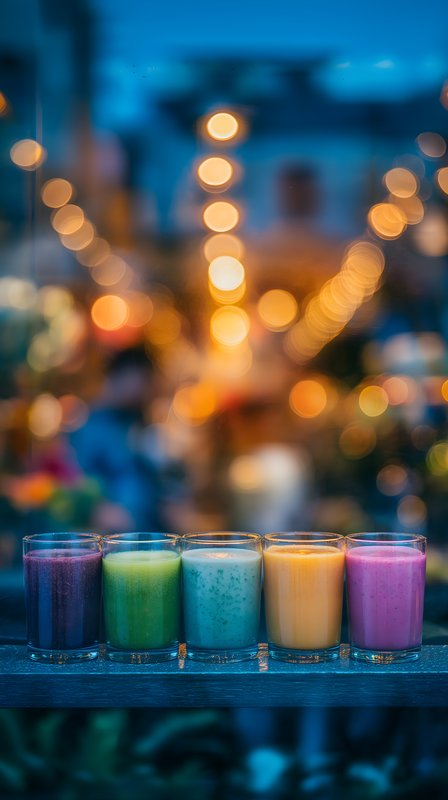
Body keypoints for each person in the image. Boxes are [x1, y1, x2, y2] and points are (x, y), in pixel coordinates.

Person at [72, 347, 165, 532]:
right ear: (121, 375)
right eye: (142, 379)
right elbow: (76, 479)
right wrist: (98, 509)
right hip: (115, 534)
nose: (145, 389)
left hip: (147, 528)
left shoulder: (135, 419)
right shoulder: (90, 425)